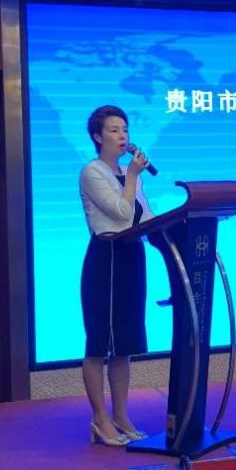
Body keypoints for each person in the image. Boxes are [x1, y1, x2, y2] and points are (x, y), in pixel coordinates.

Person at [79, 105, 154, 447]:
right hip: (106, 257)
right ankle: (100, 419)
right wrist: (134, 176)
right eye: (113, 130)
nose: (122, 135)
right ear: (98, 137)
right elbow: (122, 214)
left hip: (132, 256)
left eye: (125, 129)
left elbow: (144, 216)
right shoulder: (92, 172)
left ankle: (121, 415)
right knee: (99, 344)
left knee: (124, 344)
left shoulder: (128, 172)